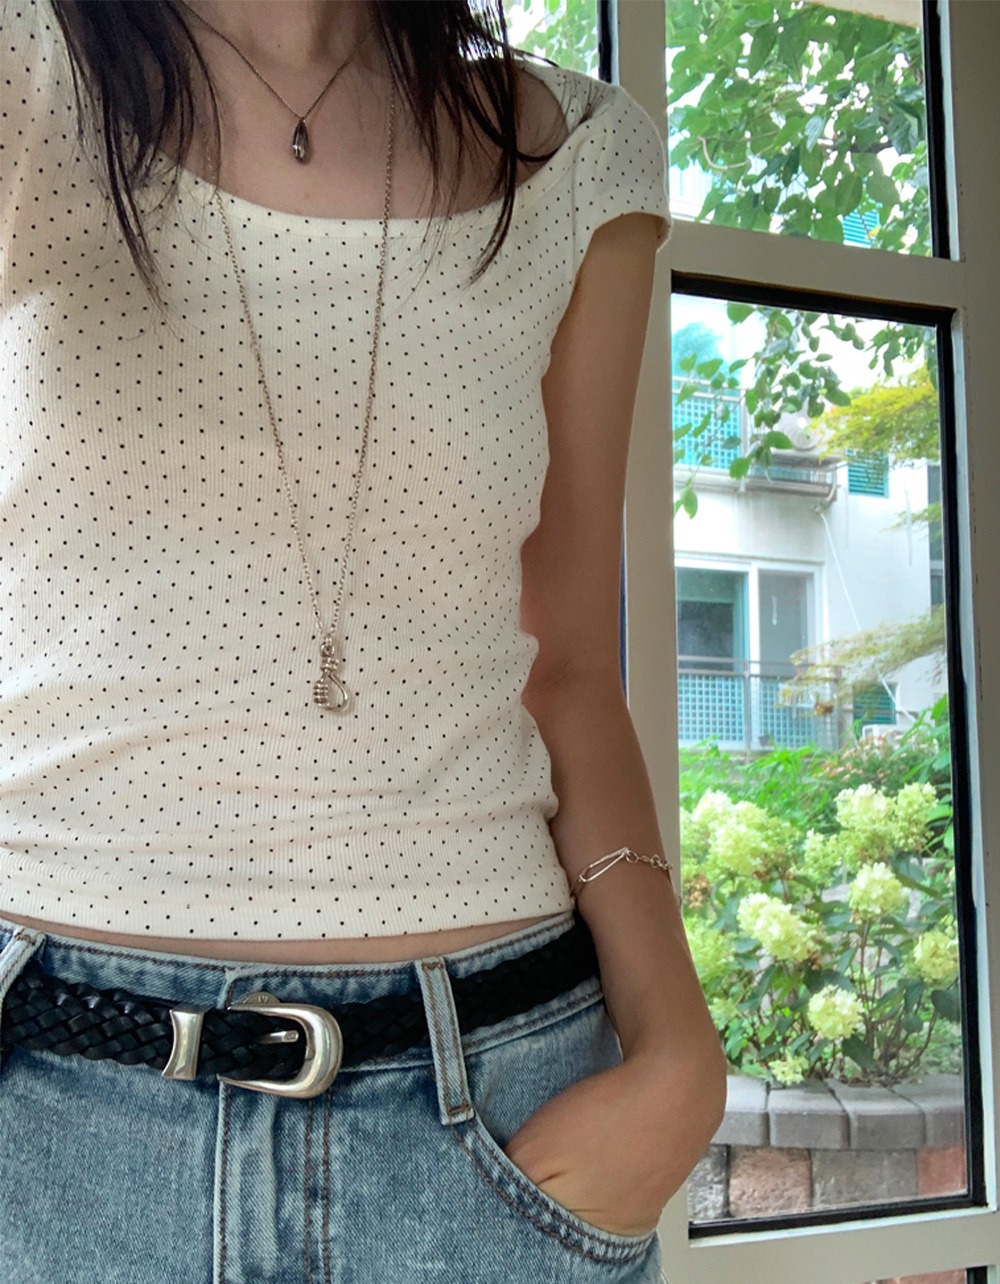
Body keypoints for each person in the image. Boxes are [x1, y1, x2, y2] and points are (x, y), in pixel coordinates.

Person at [0, 1, 727, 1280]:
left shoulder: (573, 154)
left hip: (493, 1112)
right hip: (44, 1108)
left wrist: (676, 1060)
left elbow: (568, 664)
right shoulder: (28, 64)